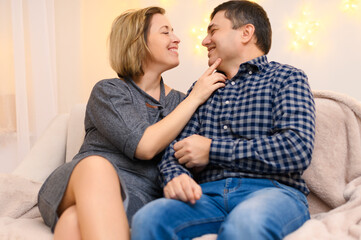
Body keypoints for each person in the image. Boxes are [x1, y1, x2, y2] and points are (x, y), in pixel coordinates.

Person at [131, 1, 316, 239]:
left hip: (273, 193)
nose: (204, 41)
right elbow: (173, 153)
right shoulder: (202, 89)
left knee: (247, 223)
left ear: (246, 33)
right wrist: (175, 175)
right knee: (149, 218)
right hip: (206, 197)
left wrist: (212, 150)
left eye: (213, 31)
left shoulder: (287, 78)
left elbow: (295, 148)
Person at [37, 6, 226, 240]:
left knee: (73, 221)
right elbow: (144, 146)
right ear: (138, 42)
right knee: (97, 166)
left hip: (139, 197)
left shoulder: (181, 101)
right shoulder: (109, 91)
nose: (176, 38)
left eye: (173, 31)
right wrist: (196, 97)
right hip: (79, 182)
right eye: (165, 32)